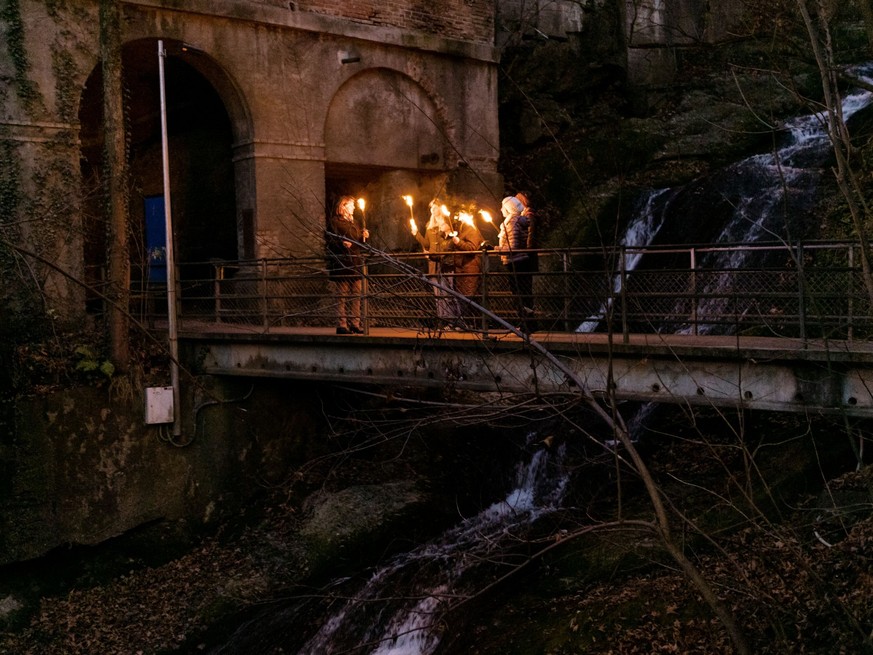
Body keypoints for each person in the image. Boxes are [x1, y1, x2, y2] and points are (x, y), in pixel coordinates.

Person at [411, 200, 462, 328]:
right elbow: (427, 244)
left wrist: (447, 231)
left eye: (435, 207)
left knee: (448, 293)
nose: (433, 210)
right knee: (438, 295)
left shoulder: (447, 224)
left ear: (440, 208)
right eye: (431, 208)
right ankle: (442, 320)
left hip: (445, 263)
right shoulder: (429, 226)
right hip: (433, 264)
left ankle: (455, 320)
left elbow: (449, 243)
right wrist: (416, 233)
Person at [326, 195, 369, 334]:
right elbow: (329, 241)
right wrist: (340, 244)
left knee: (356, 294)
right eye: (351, 204)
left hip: (355, 263)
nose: (354, 207)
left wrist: (363, 237)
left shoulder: (354, 223)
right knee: (342, 295)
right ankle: (341, 324)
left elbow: (358, 244)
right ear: (343, 206)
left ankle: (355, 323)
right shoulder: (335, 222)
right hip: (342, 263)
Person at [497, 196, 533, 328]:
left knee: (519, 293)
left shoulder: (512, 223)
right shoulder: (518, 221)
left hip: (516, 262)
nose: (501, 209)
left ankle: (526, 324)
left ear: (508, 208)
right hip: (521, 261)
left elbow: (512, 247)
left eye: (503, 206)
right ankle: (527, 323)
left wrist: (494, 249)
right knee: (524, 292)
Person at [449, 211, 486, 329]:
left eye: (461, 214)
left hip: (470, 268)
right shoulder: (463, 230)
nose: (458, 216)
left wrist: (458, 242)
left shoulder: (472, 230)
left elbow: (472, 248)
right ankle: (467, 323)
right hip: (463, 268)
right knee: (463, 296)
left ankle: (472, 323)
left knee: (469, 297)